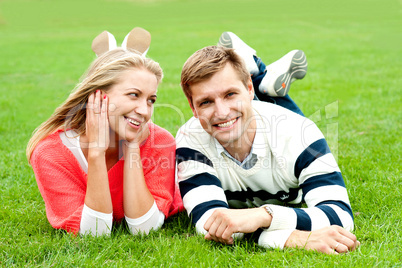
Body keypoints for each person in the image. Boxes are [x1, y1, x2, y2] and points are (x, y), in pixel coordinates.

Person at [175, 32, 359, 254]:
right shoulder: (190, 139)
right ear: (193, 107)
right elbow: (209, 224)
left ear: (249, 89)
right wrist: (293, 238)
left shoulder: (299, 132)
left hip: (278, 125)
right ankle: (259, 71)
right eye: (206, 102)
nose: (221, 112)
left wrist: (263, 215)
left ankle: (258, 72)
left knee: (280, 127)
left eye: (231, 94)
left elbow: (340, 215)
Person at [26, 28, 183, 236]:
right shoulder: (50, 153)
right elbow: (96, 232)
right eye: (133, 95)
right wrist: (96, 153)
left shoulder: (161, 141)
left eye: (150, 100)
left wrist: (132, 146)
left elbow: (144, 228)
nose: (145, 111)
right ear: (98, 96)